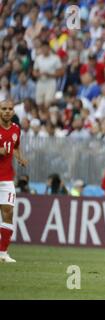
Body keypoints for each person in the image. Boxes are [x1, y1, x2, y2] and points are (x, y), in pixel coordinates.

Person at [0, 100, 27, 263]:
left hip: (7, 179)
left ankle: (3, 253)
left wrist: (20, 158)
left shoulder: (16, 129)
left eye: (10, 109)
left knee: (8, 213)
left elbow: (15, 146)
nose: (7, 111)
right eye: (4, 109)